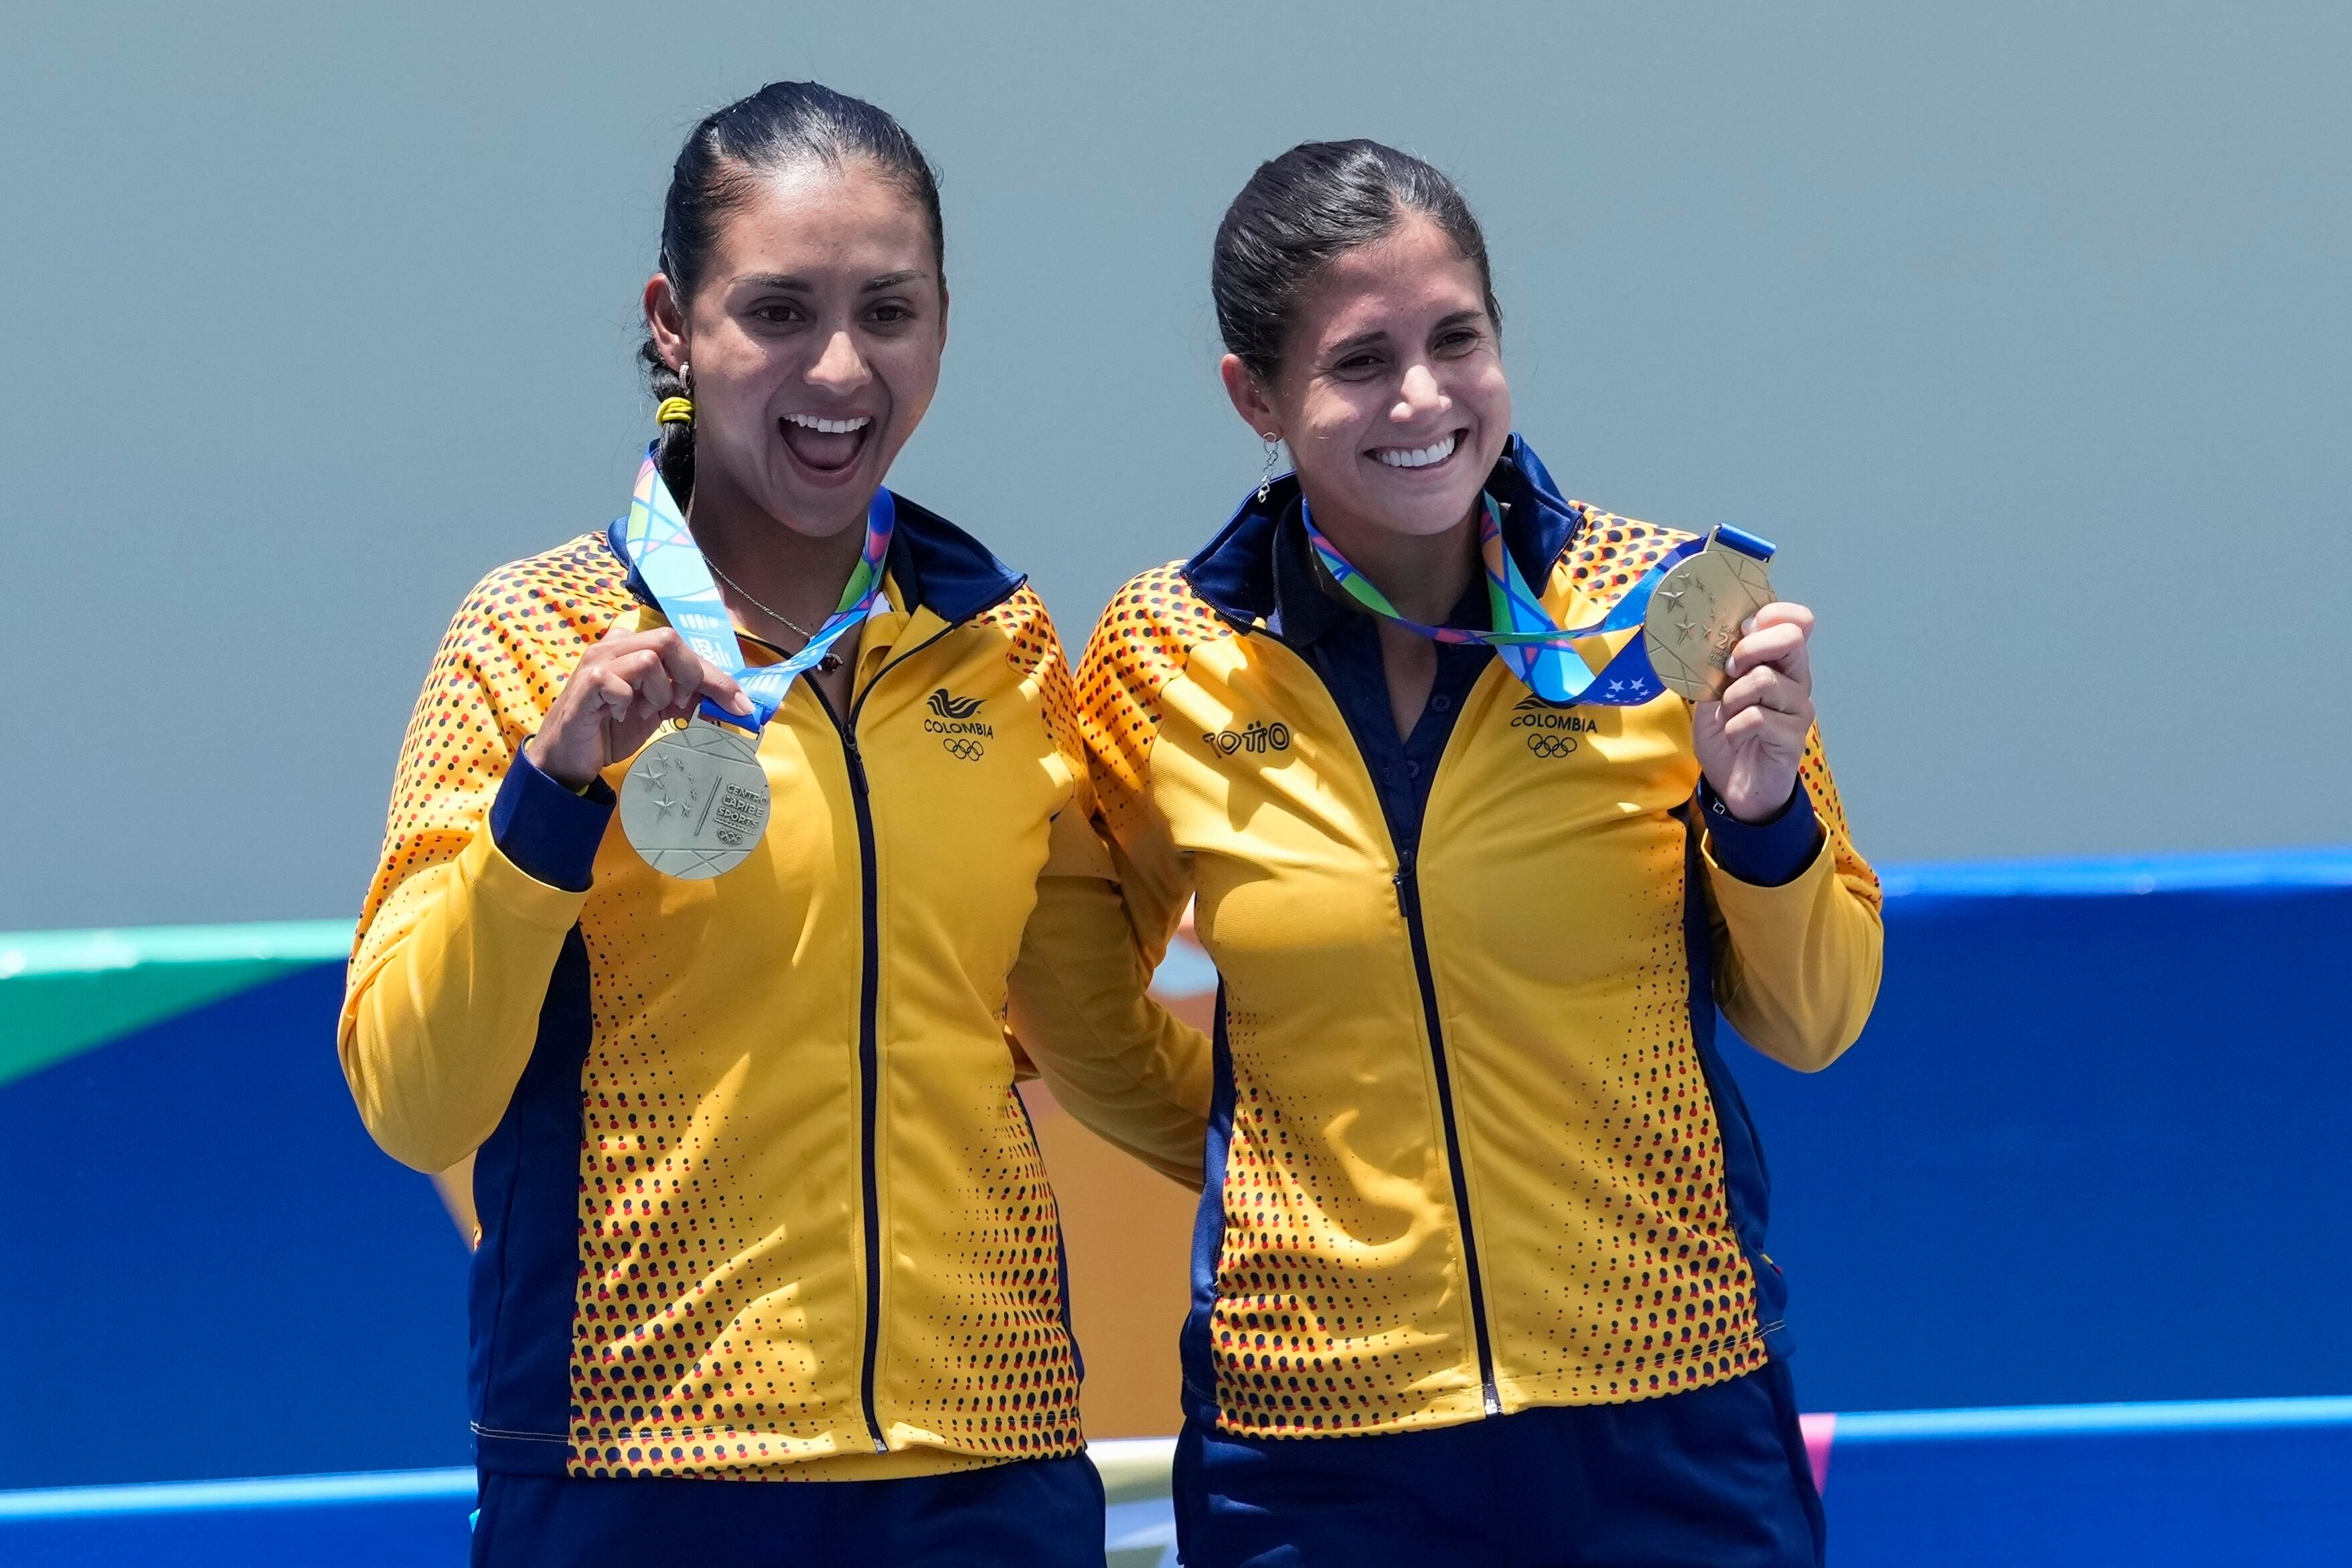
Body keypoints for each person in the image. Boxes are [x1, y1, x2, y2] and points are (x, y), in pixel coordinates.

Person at [1031, 141, 1884, 1567]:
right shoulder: (1163, 653)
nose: (1422, 398)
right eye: (1359, 362)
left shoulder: (1666, 608)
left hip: (1665, 1395)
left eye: (1455, 339)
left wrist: (1760, 819)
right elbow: (1072, 1005)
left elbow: (1816, 1018)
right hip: (1313, 1437)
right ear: (1255, 396)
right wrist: (1288, 1161)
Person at [339, 82, 1121, 1566]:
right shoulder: (528, 638)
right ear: (672, 324)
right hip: (643, 1460)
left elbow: (1097, 1038)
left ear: (942, 325)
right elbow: (414, 1101)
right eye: (777, 312)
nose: (839, 368)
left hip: (985, 1456)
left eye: (887, 311)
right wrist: (550, 797)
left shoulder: (1001, 647)